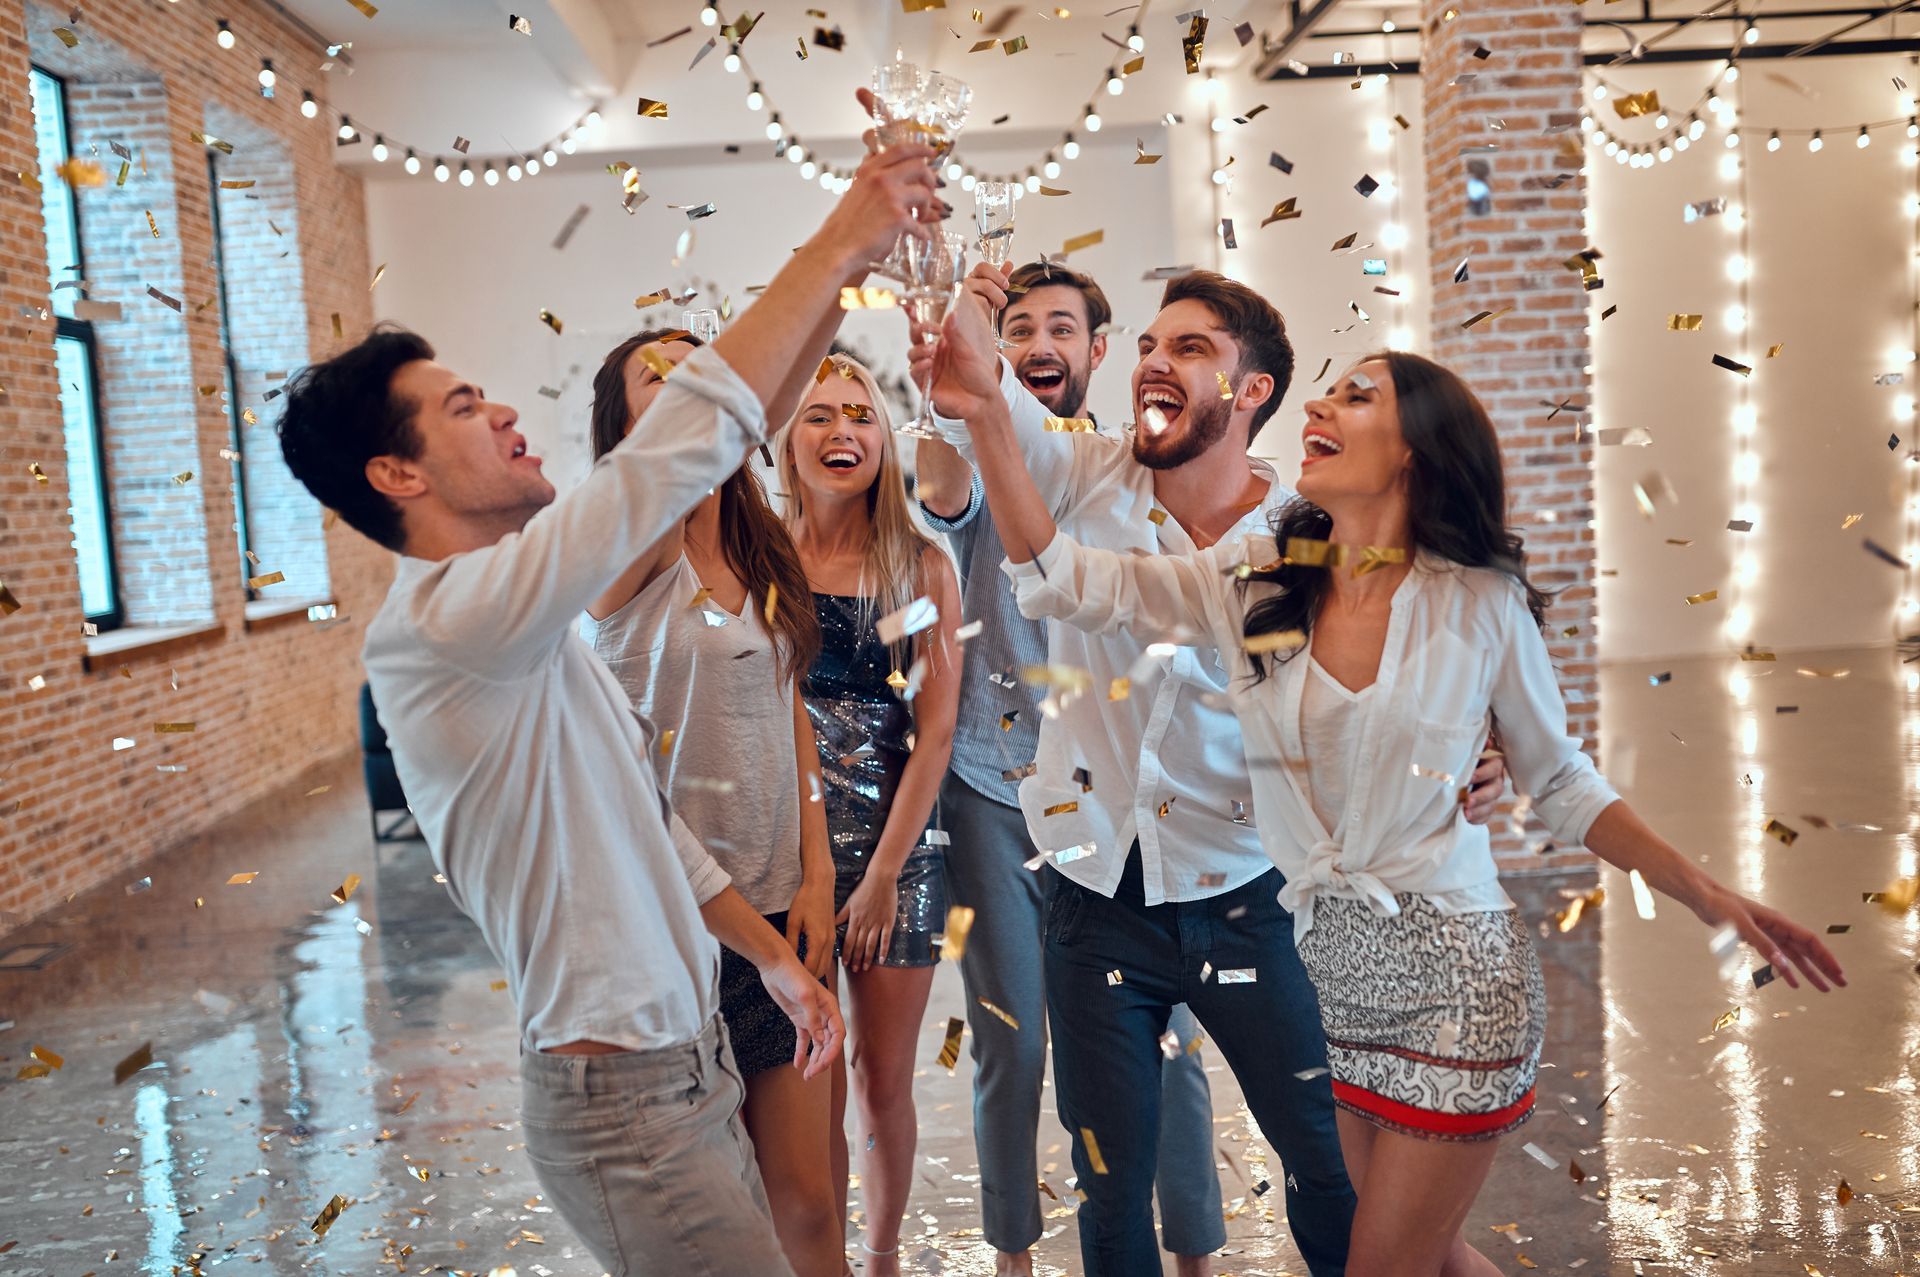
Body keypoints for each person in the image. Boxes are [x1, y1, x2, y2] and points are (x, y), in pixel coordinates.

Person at [935, 331, 1849, 1277]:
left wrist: (1710, 894)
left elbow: (1564, 779)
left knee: (1382, 1259)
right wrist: (987, 419)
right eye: (1325, 394)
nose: (1319, 409)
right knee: (1431, 1252)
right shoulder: (1265, 586)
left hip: (1455, 973)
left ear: (1412, 449)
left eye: (1355, 397)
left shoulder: (1477, 601)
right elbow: (1065, 582)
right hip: (1332, 972)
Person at [273, 142, 939, 1276]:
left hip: (683, 1058)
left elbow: (644, 815)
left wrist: (767, 954)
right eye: (464, 406)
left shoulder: (512, 621)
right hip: (623, 1094)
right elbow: (669, 462)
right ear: (398, 473)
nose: (504, 416)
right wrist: (842, 238)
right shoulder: (447, 622)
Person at [909, 263, 1507, 1277]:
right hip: (1093, 894)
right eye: (1147, 343)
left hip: (1252, 891)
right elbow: (983, 399)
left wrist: (1470, 753)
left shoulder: (1311, 541)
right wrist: (941, 286)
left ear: (1252, 391)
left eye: (1189, 349)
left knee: (1329, 1162)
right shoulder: (1082, 471)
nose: (1154, 361)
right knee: (1110, 1178)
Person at [911, 262, 1226, 1277]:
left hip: (1127, 804)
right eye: (1020, 328)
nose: (1041, 341)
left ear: (1097, 349)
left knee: (1167, 1040)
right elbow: (944, 476)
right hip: (995, 785)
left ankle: (1194, 1249)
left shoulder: (1126, 471)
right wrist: (955, 341)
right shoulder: (985, 448)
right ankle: (1013, 1252)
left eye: (1064, 326)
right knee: (1013, 1035)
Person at [579, 327, 842, 1277]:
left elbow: (793, 716)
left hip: (779, 906)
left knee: (807, 1201)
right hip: (672, 927)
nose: (696, 385)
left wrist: (818, 872)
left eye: (707, 366)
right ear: (625, 429)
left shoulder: (762, 544)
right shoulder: (626, 545)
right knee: (718, 1212)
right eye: (666, 378)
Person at [776, 353, 962, 1276]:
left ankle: (883, 1258)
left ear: (885, 442)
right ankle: (830, 1262)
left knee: (878, 1079)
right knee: (804, 1083)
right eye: (818, 415)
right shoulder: (755, 557)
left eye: (860, 414)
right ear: (787, 441)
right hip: (784, 855)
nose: (841, 430)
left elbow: (936, 734)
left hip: (901, 853)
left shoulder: (920, 561)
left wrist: (886, 872)